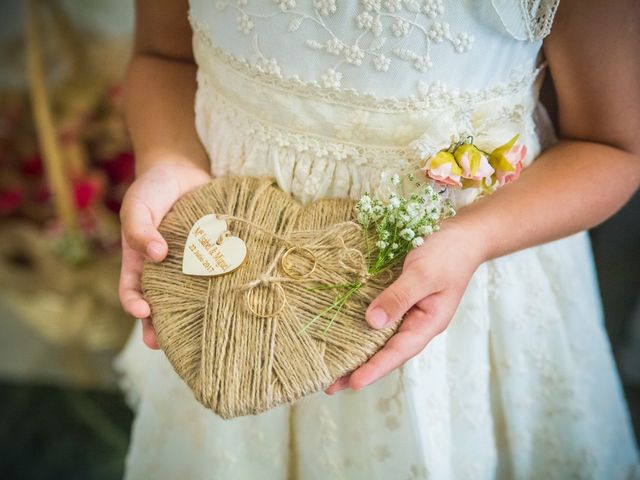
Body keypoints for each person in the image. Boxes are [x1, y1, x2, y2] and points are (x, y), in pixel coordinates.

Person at [115, 0, 640, 478]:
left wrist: (473, 238)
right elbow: (163, 56)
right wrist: (168, 160)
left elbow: (613, 146)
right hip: (226, 294)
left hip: (462, 293)